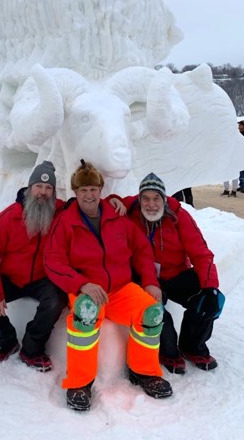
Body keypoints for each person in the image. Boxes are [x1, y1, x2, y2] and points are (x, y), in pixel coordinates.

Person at [45, 159, 172, 411]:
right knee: (85, 316)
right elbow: (53, 261)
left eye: (93, 189)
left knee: (152, 312)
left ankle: (144, 372)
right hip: (88, 291)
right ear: (75, 192)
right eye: (83, 190)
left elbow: (142, 251)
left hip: (122, 289)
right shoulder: (66, 222)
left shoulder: (117, 217)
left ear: (101, 190)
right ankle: (79, 383)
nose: (89, 195)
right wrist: (82, 284)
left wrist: (149, 281)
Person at [0, 161, 67, 372]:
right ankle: (5, 341)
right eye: (39, 186)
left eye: (49, 188)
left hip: (43, 278)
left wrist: (116, 202)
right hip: (11, 278)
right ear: (30, 189)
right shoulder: (9, 216)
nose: (43, 193)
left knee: (56, 300)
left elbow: (89, 205)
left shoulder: (61, 212)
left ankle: (32, 349)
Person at [121, 173, 225, 375]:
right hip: (145, 277)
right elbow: (106, 203)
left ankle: (192, 346)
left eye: (156, 198)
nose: (151, 204)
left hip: (176, 275)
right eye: (146, 198)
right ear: (139, 198)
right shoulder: (131, 211)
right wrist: (116, 200)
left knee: (210, 301)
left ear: (164, 198)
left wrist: (211, 287)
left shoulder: (178, 216)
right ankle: (168, 352)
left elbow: (201, 254)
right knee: (156, 310)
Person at [224, 120, 244, 195]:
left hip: (241, 155)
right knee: (240, 172)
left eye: (240, 125)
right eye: (238, 125)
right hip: (236, 155)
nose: (239, 127)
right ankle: (242, 185)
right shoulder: (238, 134)